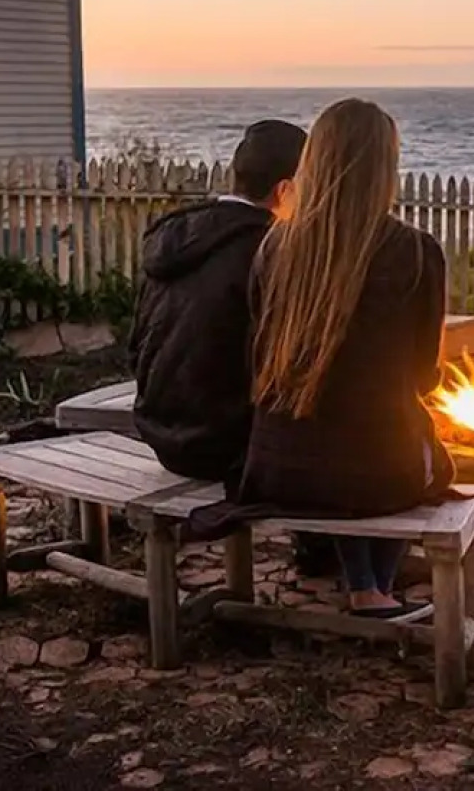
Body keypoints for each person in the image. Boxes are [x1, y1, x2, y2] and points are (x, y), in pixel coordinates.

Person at [188, 98, 456, 622]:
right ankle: (372, 590)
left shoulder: (273, 247)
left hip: (275, 469)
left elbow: (257, 354)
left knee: (342, 437)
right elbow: (425, 375)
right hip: (373, 475)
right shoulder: (415, 251)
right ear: (386, 167)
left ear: (314, 162)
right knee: (414, 448)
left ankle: (366, 587)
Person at [127, 119, 305, 496]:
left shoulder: (176, 237)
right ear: (286, 189)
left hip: (161, 434)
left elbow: (137, 342)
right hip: (230, 446)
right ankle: (321, 549)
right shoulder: (272, 251)